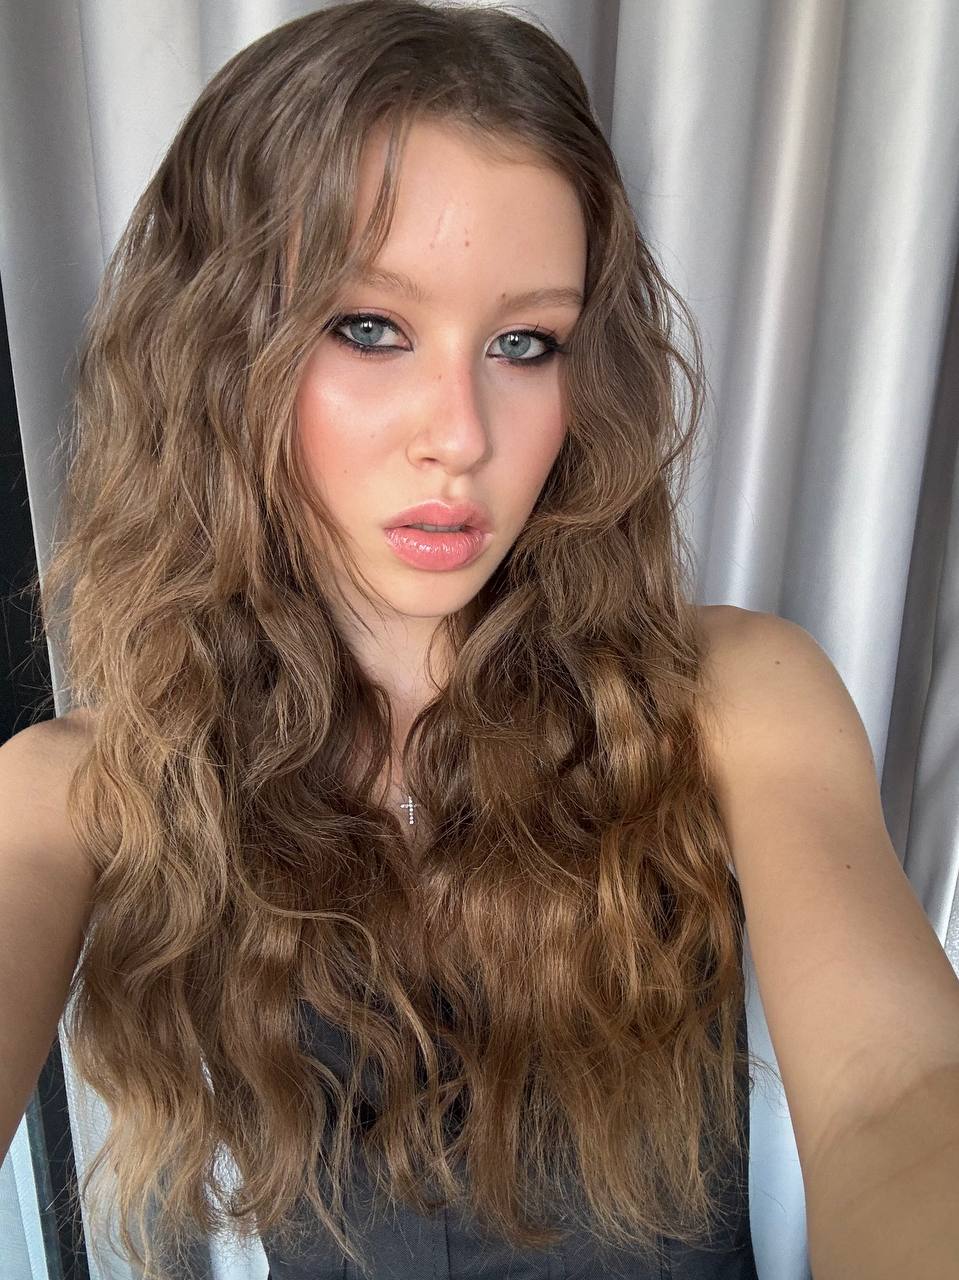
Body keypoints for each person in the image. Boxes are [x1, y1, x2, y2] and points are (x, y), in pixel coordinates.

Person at [3, 2, 959, 1278]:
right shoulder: (80, 790)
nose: (460, 433)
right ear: (218, 353)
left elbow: (896, 1092)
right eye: (367, 326)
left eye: (524, 343)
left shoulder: (731, 696)